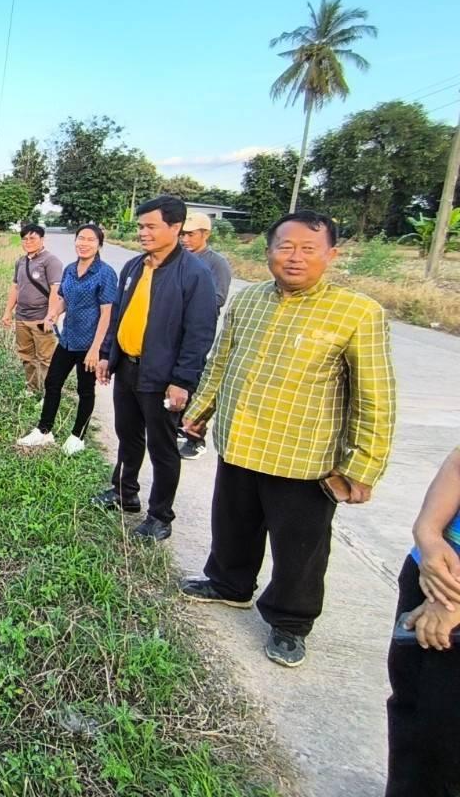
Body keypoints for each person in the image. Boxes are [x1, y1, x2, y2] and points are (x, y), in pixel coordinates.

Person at [178, 210, 397, 668]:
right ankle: (229, 584)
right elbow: (222, 361)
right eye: (285, 247)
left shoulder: (358, 313)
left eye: (308, 249)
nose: (295, 258)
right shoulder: (249, 300)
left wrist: (363, 466)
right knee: (233, 522)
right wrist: (200, 412)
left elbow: (375, 397)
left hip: (304, 456)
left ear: (331, 255)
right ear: (269, 252)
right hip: (241, 440)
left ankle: (290, 622)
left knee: (300, 548)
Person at [91, 195, 218, 541]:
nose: (143, 233)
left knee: (163, 448)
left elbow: (200, 333)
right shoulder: (134, 267)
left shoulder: (194, 274)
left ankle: (160, 516)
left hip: (163, 379)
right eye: (140, 226)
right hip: (128, 369)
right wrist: (107, 354)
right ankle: (124, 492)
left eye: (150, 226)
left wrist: (182, 381)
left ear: (175, 228)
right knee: (128, 436)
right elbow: (119, 314)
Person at [384, 445, 460, 797]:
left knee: (445, 729)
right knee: (411, 706)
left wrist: (452, 602)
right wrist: (428, 535)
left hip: (448, 597)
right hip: (429, 570)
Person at [16, 223, 118, 455]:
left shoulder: (105, 273)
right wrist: (53, 313)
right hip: (68, 339)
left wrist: (96, 349)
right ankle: (44, 431)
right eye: (80, 238)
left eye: (90, 240)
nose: (84, 243)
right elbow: (63, 299)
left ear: (99, 244)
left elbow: (106, 315)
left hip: (89, 343)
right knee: (53, 383)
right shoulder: (70, 269)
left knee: (85, 390)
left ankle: (77, 436)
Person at [177, 211, 234, 461]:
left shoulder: (215, 263)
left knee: (195, 381)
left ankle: (195, 437)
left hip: (197, 331)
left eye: (190, 234)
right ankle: (177, 426)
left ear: (205, 234)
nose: (185, 239)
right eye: (182, 234)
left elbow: (218, 298)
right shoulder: (177, 259)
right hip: (173, 330)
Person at [1, 223, 64, 398]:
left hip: (41, 318)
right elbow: (15, 287)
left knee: (46, 359)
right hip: (22, 317)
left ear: (42, 239)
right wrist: (8, 312)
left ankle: (49, 396)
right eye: (25, 238)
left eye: (32, 238)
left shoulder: (51, 261)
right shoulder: (21, 261)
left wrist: (50, 317)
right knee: (27, 356)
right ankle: (32, 388)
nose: (28, 241)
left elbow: (55, 291)